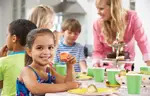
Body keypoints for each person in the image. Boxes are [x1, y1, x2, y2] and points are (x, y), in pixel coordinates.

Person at [16, 28, 79, 95]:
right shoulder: (27, 71)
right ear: (29, 51)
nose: (46, 52)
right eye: (39, 48)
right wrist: (67, 86)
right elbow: (36, 89)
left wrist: (69, 66)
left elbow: (69, 83)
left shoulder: (49, 70)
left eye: (50, 47)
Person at [92, 0, 150, 70]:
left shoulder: (132, 18)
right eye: (97, 9)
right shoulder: (97, 24)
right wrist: (96, 62)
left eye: (101, 9)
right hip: (106, 68)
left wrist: (148, 60)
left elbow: (142, 41)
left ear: (113, 7)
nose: (98, 12)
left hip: (127, 66)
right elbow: (98, 51)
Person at [0, 19, 37, 96]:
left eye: (7, 35)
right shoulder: (36, 60)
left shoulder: (4, 61)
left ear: (14, 38)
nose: (6, 38)